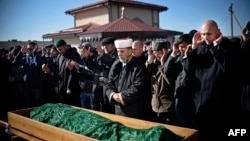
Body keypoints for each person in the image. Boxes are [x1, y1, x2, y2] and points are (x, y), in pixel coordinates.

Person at [185, 20, 243, 141]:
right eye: (203, 34)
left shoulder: (228, 47)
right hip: (199, 108)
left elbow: (230, 70)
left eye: (209, 34)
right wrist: (193, 50)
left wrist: (217, 48)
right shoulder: (200, 48)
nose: (206, 37)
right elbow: (187, 71)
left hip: (219, 111)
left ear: (218, 33)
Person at [106, 38, 147, 119]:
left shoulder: (139, 65)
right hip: (118, 110)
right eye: (118, 51)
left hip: (134, 110)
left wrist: (121, 97)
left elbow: (138, 87)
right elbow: (109, 83)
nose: (119, 54)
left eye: (122, 51)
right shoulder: (116, 64)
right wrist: (113, 95)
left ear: (130, 51)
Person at [163, 34, 195, 128]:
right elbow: (166, 70)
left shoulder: (194, 57)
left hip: (192, 99)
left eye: (183, 46)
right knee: (182, 125)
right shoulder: (177, 57)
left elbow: (189, 71)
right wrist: (173, 54)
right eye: (179, 46)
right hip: (179, 97)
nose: (181, 49)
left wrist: (187, 56)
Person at [146, 39, 176, 125]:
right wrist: (150, 60)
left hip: (168, 107)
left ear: (166, 51)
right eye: (155, 53)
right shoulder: (154, 63)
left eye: (160, 52)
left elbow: (170, 82)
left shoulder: (173, 61)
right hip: (155, 105)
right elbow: (145, 76)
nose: (158, 56)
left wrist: (163, 65)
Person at [55, 39, 82, 107]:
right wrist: (56, 85)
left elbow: (75, 72)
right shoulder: (59, 56)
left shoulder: (74, 55)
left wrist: (69, 87)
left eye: (60, 49)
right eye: (58, 50)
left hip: (72, 90)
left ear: (65, 46)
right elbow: (58, 72)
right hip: (62, 88)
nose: (59, 51)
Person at [95, 37, 118, 113]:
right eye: (104, 45)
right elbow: (95, 68)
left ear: (114, 46)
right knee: (104, 111)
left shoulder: (118, 55)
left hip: (113, 89)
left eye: (107, 45)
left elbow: (114, 63)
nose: (105, 47)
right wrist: (87, 58)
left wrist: (103, 55)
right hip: (102, 88)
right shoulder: (102, 57)